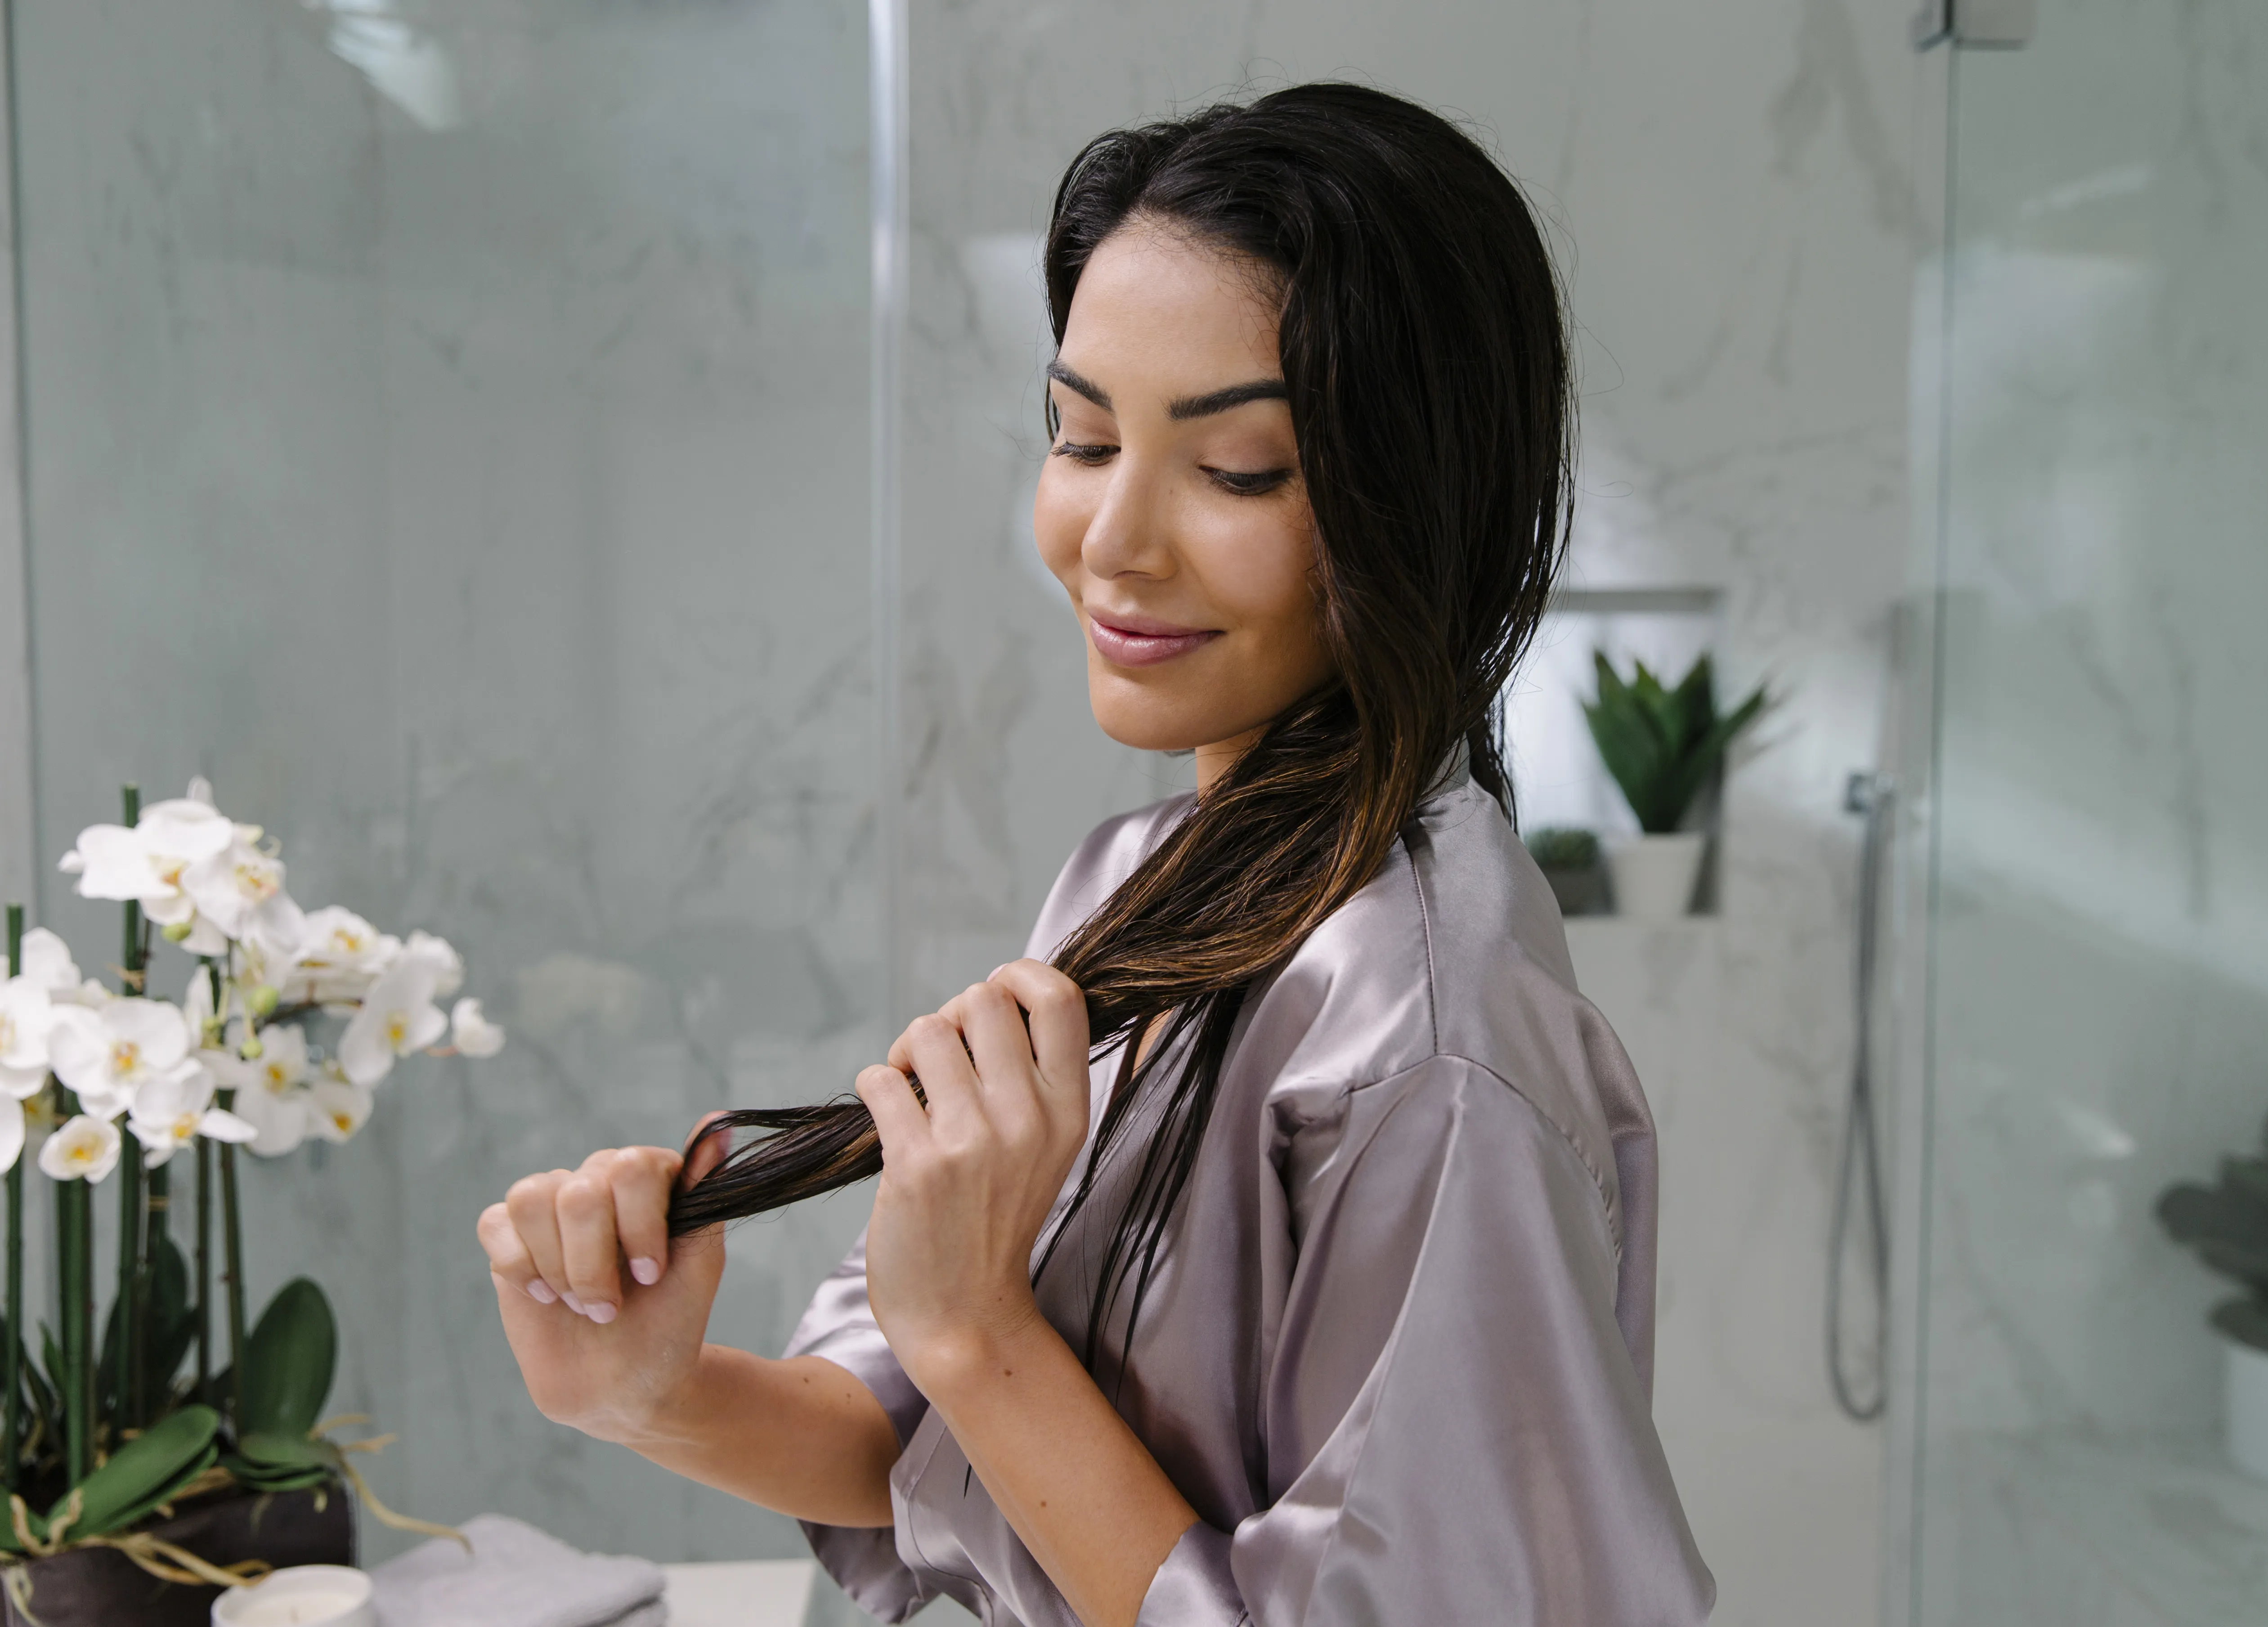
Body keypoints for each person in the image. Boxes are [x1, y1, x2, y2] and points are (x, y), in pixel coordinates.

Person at [477, 82, 1713, 1627]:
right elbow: (932, 1445)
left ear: (1425, 500)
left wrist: (978, 1330)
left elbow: (975, 1363)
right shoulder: (1149, 884)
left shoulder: (1425, 1039)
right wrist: (650, 1395)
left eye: (1238, 468)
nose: (1112, 539)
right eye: (1079, 436)